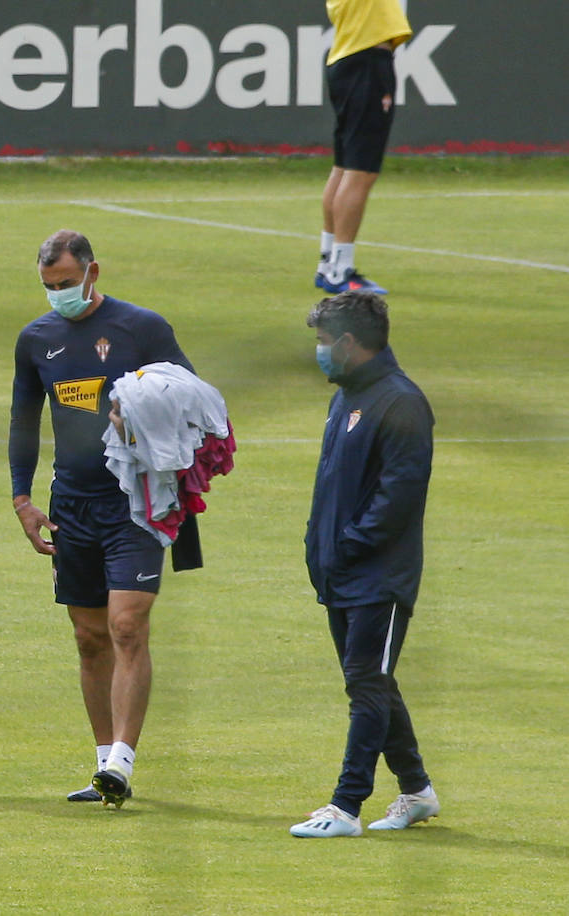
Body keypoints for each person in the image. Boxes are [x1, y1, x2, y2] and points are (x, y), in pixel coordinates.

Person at [9, 230, 194, 807]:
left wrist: (143, 414)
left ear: (93, 272)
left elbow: (193, 397)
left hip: (136, 503)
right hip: (71, 506)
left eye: (65, 283)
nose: (58, 294)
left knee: (126, 626)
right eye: (48, 286)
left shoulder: (143, 328)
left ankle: (122, 761)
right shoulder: (36, 340)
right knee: (90, 638)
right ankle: (101, 765)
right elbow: (22, 420)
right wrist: (22, 499)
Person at [290, 290, 439, 838]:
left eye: (325, 342)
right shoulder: (347, 396)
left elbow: (398, 496)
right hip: (342, 572)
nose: (320, 352)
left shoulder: (400, 402)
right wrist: (318, 546)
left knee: (367, 685)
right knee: (373, 680)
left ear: (350, 344)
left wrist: (350, 544)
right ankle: (417, 790)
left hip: (380, 576)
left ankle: (346, 806)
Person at [314, 0, 413, 296]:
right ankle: (340, 269)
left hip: (350, 58)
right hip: (365, 61)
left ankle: (329, 261)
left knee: (345, 166)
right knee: (361, 170)